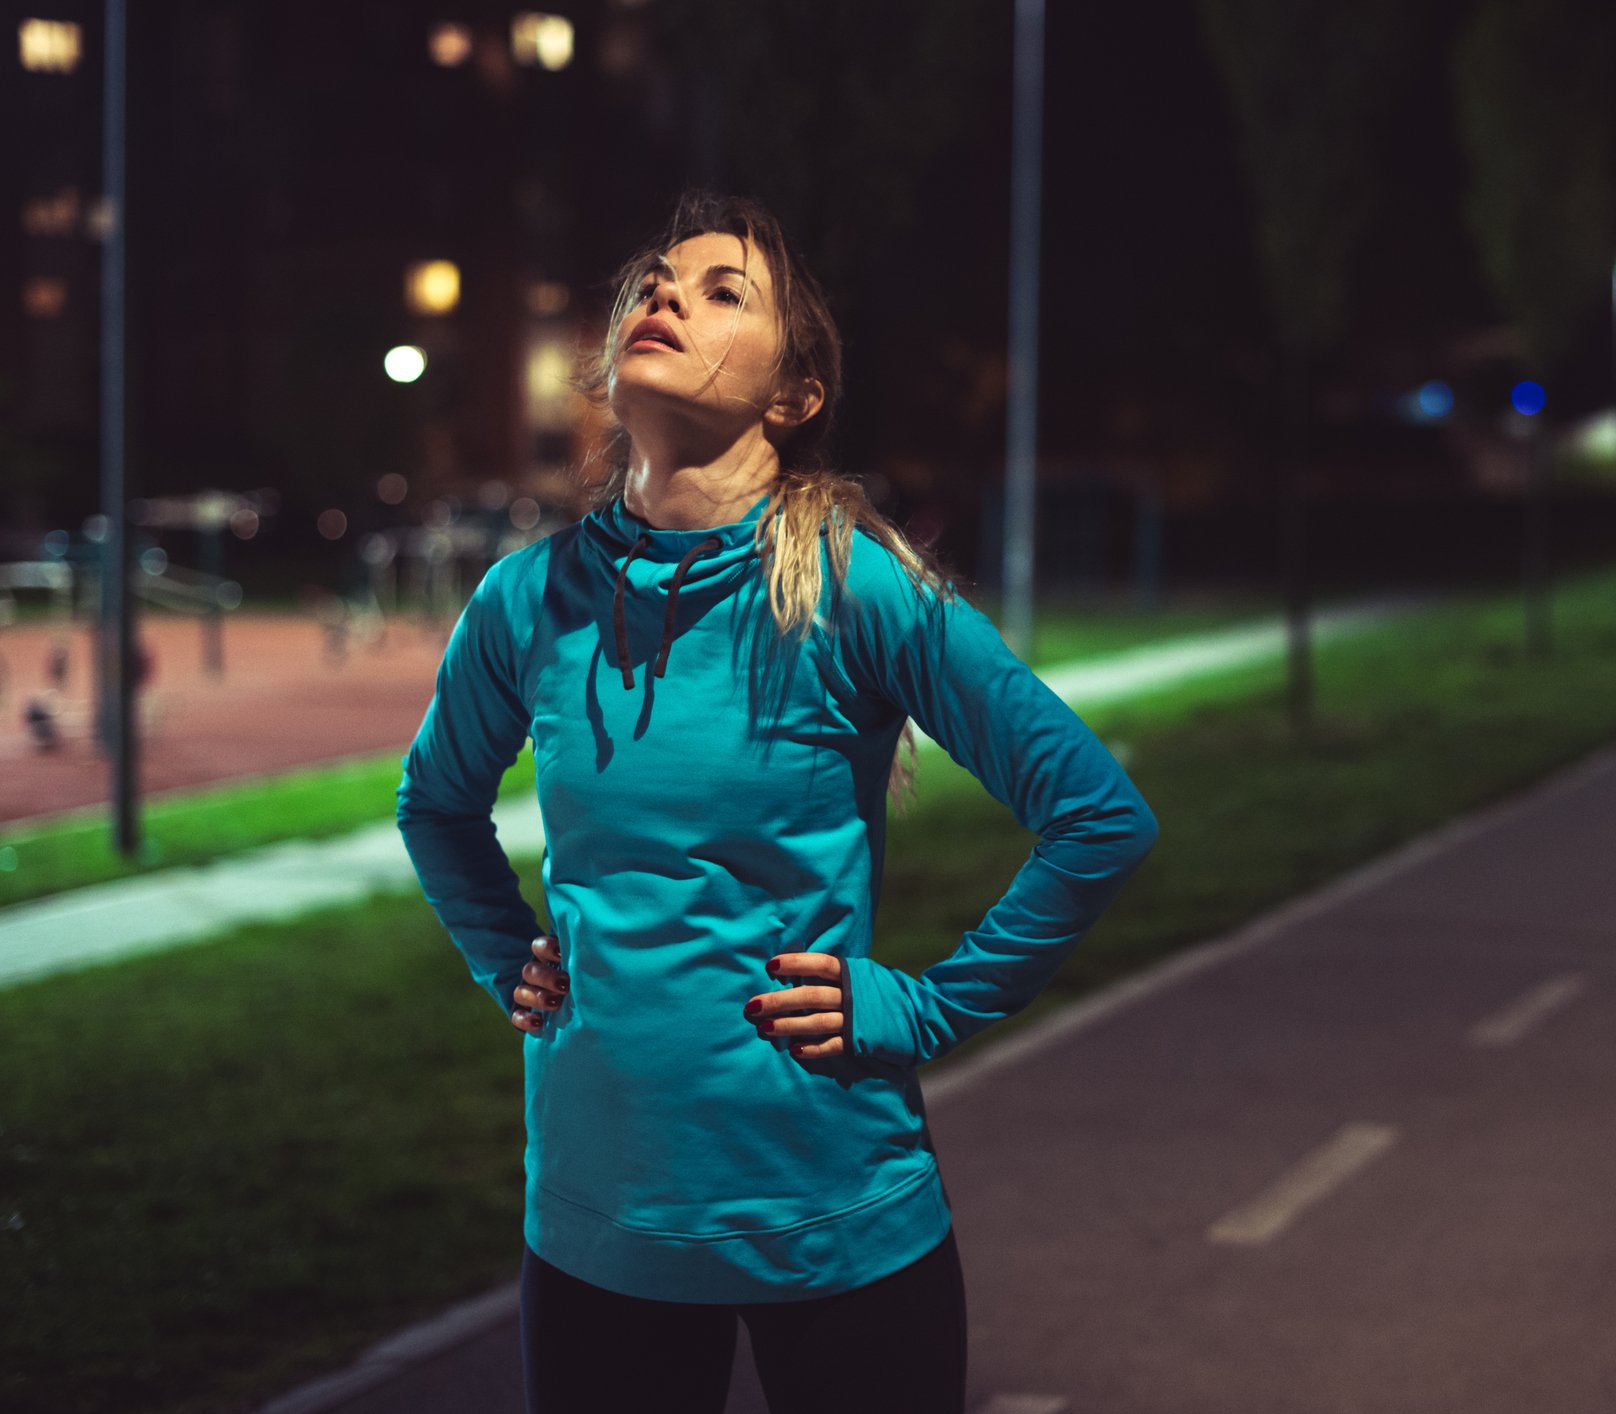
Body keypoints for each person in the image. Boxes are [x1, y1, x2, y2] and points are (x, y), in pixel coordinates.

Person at [395, 189, 1161, 1413]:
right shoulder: (525, 599)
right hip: (599, 1228)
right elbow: (434, 804)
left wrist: (924, 1004)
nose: (665, 296)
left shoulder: (853, 584)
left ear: (792, 395)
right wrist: (505, 956)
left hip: (833, 1220)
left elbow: (1096, 813)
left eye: (720, 290)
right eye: (654, 279)